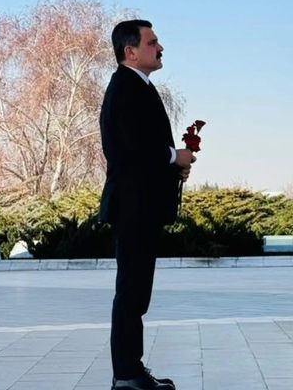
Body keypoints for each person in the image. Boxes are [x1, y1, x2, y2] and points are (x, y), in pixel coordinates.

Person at [100, 19, 194, 390]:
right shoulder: (125, 87)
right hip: (133, 208)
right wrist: (175, 156)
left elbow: (141, 153)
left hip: (141, 206)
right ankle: (126, 375)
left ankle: (131, 371)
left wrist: (174, 168)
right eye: (153, 42)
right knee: (132, 293)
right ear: (130, 51)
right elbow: (130, 150)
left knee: (136, 293)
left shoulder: (139, 86)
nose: (160, 47)